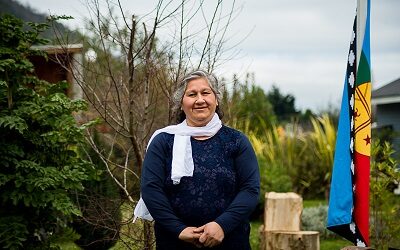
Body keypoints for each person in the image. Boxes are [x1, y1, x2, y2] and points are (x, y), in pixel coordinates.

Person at [137, 70, 260, 249]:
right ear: (181, 104)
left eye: (206, 93)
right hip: (175, 241)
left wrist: (221, 225)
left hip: (230, 240)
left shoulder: (237, 141)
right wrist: (179, 229)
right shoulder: (163, 141)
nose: (200, 100)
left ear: (216, 100)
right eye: (192, 94)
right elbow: (151, 189)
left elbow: (250, 189)